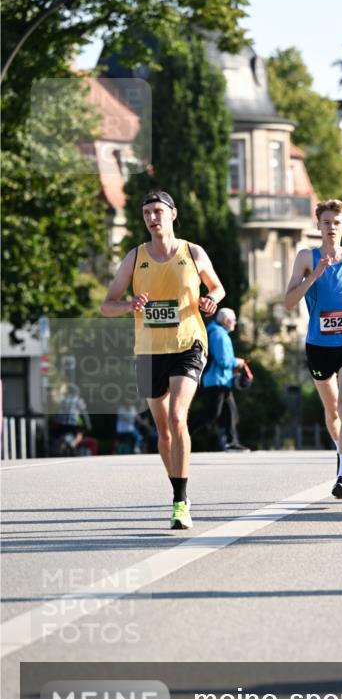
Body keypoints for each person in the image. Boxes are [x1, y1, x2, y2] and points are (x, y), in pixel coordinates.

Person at [101, 190, 225, 530]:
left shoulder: (192, 252)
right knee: (164, 432)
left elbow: (217, 288)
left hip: (188, 344)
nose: (152, 218)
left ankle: (180, 502)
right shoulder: (135, 257)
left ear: (173, 213)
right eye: (147, 214)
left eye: (158, 211)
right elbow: (107, 305)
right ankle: (178, 490)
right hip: (149, 350)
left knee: (176, 416)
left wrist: (211, 300)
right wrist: (128, 306)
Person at [284, 199, 342, 499]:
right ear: (318, 226)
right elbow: (289, 302)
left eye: (336, 223)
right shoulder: (306, 256)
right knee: (332, 410)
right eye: (326, 222)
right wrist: (314, 275)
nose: (331, 228)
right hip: (319, 345)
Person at [191, 307, 249, 452]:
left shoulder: (216, 332)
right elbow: (223, 360)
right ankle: (182, 433)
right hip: (217, 380)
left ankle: (232, 442)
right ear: (227, 321)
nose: (235, 323)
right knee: (212, 414)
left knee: (231, 413)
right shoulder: (219, 335)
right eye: (234, 320)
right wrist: (238, 362)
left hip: (221, 380)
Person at [53, 383, 91, 453]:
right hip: (73, 422)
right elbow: (84, 412)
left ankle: (63, 444)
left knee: (62, 434)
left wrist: (57, 421)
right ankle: (73, 444)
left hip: (63, 423)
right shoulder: (78, 400)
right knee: (79, 435)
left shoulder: (64, 400)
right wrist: (87, 424)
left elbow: (59, 412)